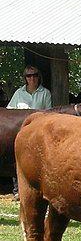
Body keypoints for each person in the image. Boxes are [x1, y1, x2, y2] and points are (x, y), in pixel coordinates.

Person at [7, 65, 52, 201]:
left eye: (34, 75)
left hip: (37, 134)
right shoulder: (18, 93)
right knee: (18, 160)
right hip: (20, 132)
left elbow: (49, 113)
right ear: (25, 78)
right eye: (29, 76)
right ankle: (17, 190)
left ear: (39, 77)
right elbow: (9, 111)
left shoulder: (45, 93)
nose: (32, 78)